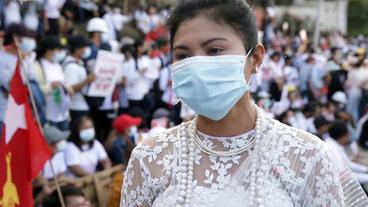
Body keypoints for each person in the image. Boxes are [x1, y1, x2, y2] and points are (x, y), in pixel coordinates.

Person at [120, 1, 368, 207]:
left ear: (255, 58)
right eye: (183, 56)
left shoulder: (305, 155)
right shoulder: (150, 157)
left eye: (215, 50)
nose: (197, 67)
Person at [0, 23, 36, 134]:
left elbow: (31, 79)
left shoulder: (28, 57)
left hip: (23, 112)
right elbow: (10, 86)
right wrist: (20, 62)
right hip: (5, 113)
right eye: (24, 37)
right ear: (15, 38)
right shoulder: (2, 58)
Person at [34, 36, 71, 130]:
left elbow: (64, 82)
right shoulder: (37, 66)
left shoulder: (58, 65)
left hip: (63, 114)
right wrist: (51, 86)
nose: (59, 53)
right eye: (57, 50)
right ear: (49, 50)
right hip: (48, 115)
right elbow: (35, 91)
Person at [63, 35, 95, 124]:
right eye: (84, 47)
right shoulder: (71, 67)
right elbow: (71, 88)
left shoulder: (80, 62)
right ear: (77, 49)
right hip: (76, 107)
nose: (86, 50)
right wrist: (87, 80)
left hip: (83, 105)